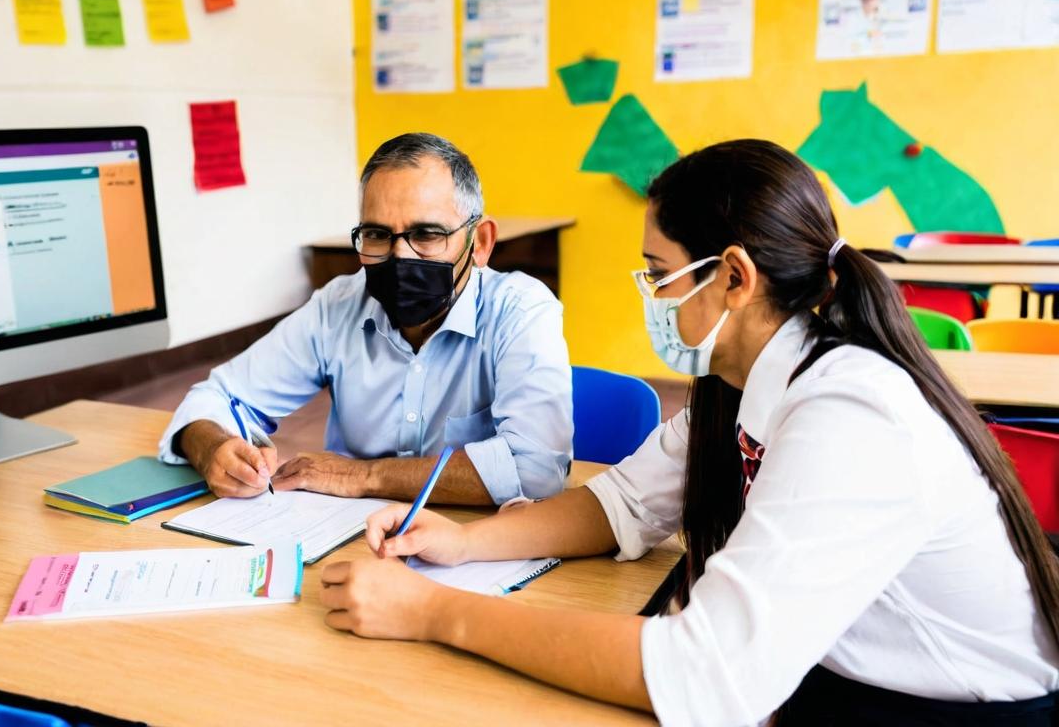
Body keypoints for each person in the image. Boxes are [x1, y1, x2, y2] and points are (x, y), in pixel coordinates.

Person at [320, 139, 1059, 725]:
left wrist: (434, 611)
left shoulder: (850, 414)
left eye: (659, 274)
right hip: (834, 676)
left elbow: (705, 673)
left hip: (951, 711)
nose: (653, 298)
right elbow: (619, 504)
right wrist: (463, 543)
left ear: (733, 277)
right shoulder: (739, 386)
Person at [158, 133, 573, 505]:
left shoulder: (521, 311)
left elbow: (535, 470)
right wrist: (213, 449)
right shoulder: (338, 306)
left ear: (479, 243)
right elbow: (215, 397)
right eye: (377, 235)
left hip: (474, 541)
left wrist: (364, 476)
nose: (400, 256)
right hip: (346, 537)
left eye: (426, 234)